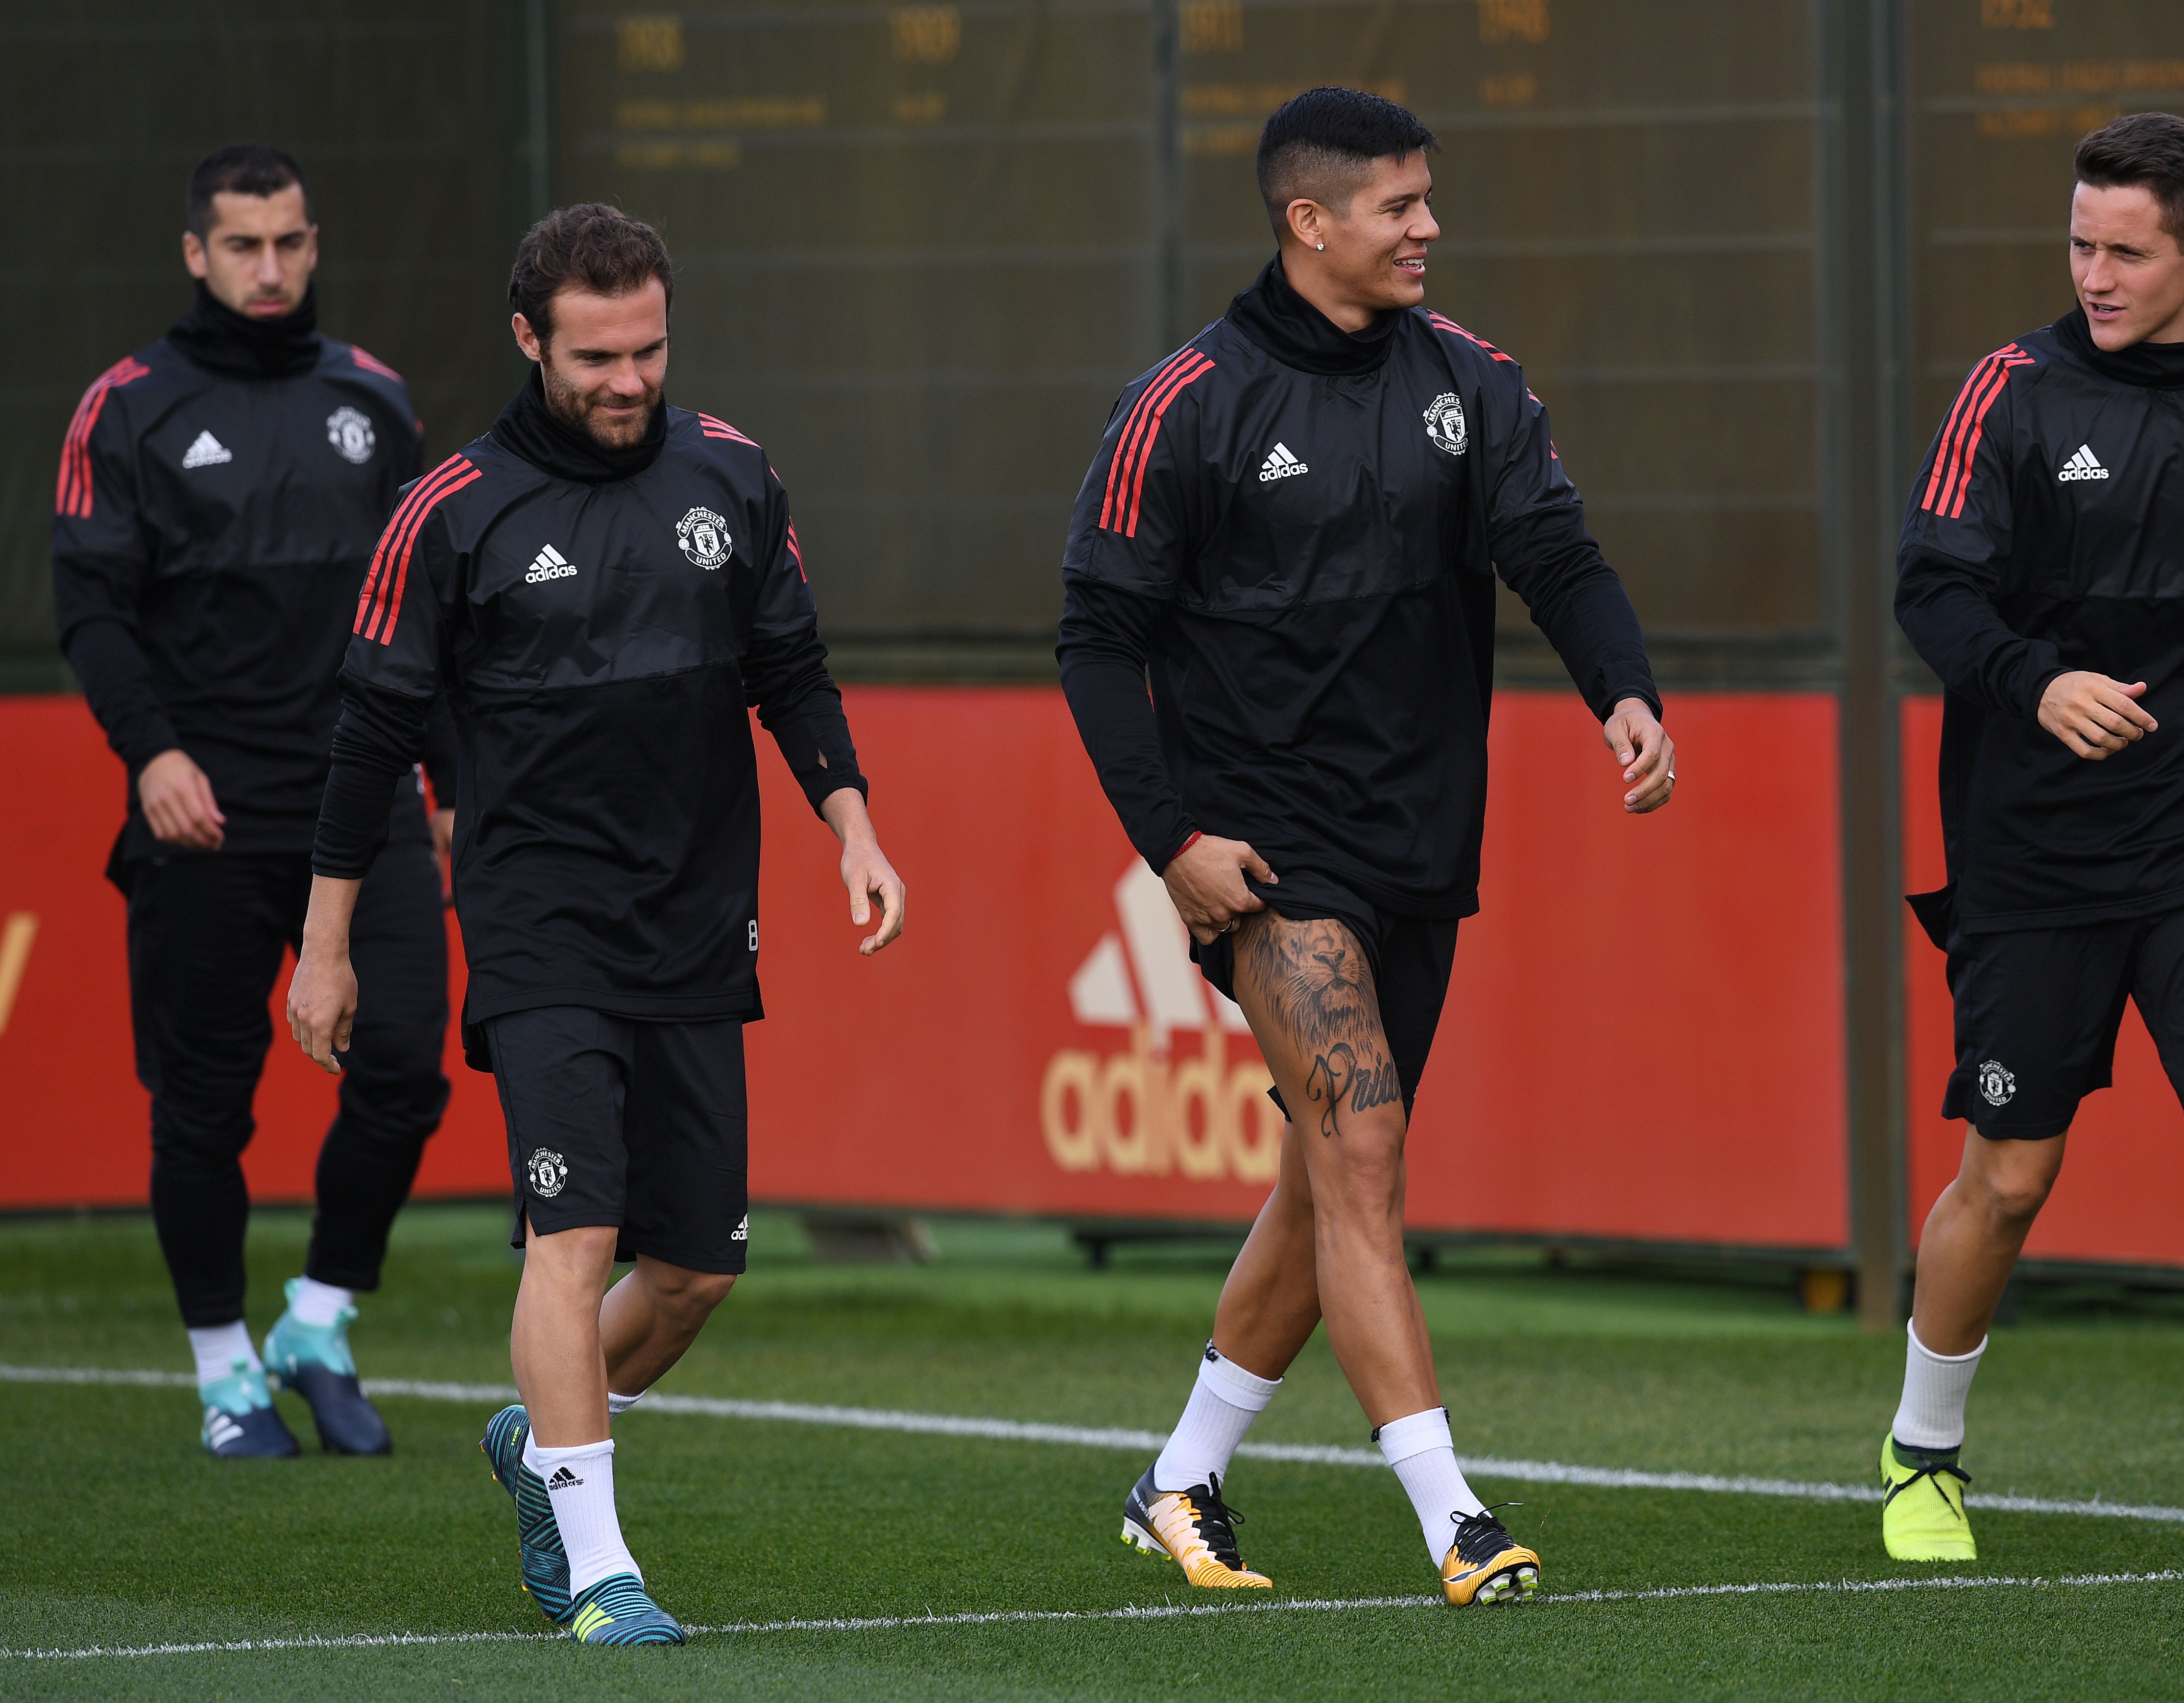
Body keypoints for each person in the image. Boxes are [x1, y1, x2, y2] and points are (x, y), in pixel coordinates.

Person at [1057, 87, 1674, 1607]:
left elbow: (1558, 555)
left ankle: (1180, 1480)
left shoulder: (1470, 378)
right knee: (1365, 1148)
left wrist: (1628, 693)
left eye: (1426, 201)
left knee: (1328, 1180)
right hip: (1264, 863)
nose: (1427, 229)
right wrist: (1171, 844)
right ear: (1306, 221)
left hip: (1416, 850)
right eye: (1398, 206)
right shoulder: (1188, 402)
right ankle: (1453, 1517)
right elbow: (1093, 639)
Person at [285, 204, 906, 1644]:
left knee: (691, 1276)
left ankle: (543, 1446)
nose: (628, 380)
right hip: (536, 919)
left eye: (648, 350)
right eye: (595, 357)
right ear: (528, 341)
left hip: (696, 919)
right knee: (573, 1236)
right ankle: (601, 1567)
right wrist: (325, 945)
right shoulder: (450, 513)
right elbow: (369, 739)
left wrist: (853, 826)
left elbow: (791, 672)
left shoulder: (734, 475)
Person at [1888, 113, 2184, 1575]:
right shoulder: (2010, 393)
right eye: (2079, 246)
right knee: (2011, 1175)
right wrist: (2037, 680)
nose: (2094, 274)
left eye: (2126, 250)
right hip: (2032, 849)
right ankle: (1922, 1453)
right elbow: (1930, 594)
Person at [52, 142, 454, 1460]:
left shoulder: (375, 399)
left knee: (403, 1062)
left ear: (315, 242)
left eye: (289, 242)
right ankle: (225, 1369)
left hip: (366, 796)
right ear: (195, 255)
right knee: (205, 1106)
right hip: (205, 811)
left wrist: (444, 777)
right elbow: (91, 609)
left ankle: (320, 1322)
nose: (269, 269)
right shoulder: (128, 406)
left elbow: (426, 611)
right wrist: (152, 754)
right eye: (243, 246)